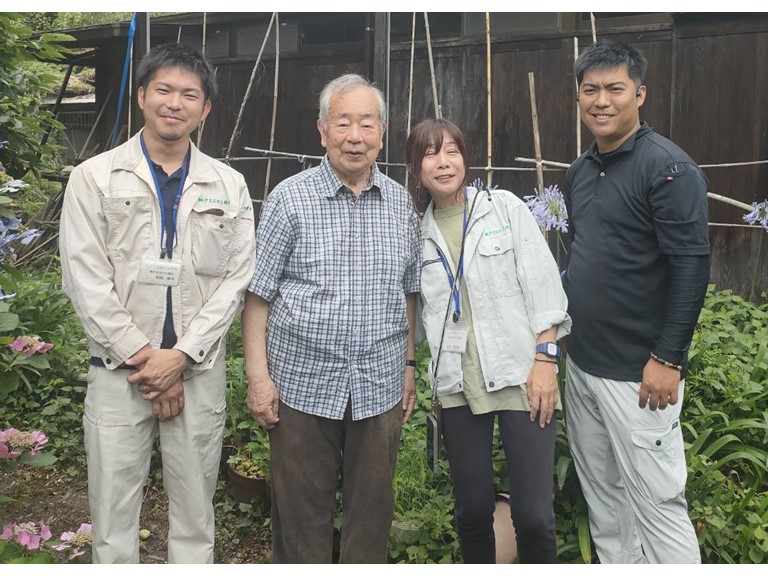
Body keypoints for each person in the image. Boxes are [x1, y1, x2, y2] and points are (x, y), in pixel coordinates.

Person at [59, 43, 256, 563]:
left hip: (196, 370)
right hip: (118, 371)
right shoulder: (95, 177)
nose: (175, 103)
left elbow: (236, 281)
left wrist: (180, 356)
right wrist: (146, 359)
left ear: (205, 107)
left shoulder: (229, 184)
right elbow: (84, 277)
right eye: (164, 90)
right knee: (112, 512)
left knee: (195, 515)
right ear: (142, 95)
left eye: (190, 94)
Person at [241, 73, 422, 563]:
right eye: (343, 122)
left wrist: (408, 368)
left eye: (367, 123)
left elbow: (409, 292)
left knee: (373, 513)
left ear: (382, 132)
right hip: (300, 381)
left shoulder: (401, 203)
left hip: (379, 383)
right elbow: (258, 296)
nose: (355, 136)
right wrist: (259, 379)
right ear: (322, 131)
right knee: (301, 514)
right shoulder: (289, 198)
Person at [563, 40, 709, 564]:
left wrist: (668, 358)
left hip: (641, 373)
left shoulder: (668, 169)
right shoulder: (579, 172)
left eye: (614, 89)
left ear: (640, 94)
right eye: (590, 90)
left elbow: (692, 267)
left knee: (659, 501)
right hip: (582, 364)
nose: (601, 101)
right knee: (604, 498)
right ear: (578, 97)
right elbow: (584, 252)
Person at [405, 117, 571, 564]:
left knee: (535, 515)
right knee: (472, 509)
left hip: (522, 373)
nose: (444, 163)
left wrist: (545, 360)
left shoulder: (503, 209)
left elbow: (544, 287)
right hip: (458, 382)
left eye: (452, 151)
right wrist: (409, 370)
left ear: (466, 157)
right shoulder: (413, 233)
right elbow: (409, 313)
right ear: (415, 167)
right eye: (430, 154)